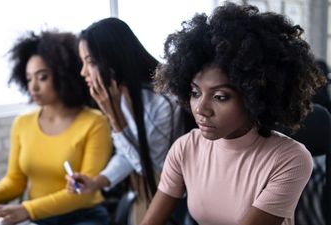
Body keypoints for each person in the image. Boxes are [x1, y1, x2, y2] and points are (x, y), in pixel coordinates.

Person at [140, 3, 326, 225]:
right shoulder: (186, 148)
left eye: (220, 97)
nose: (200, 109)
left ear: (255, 95)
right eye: (195, 92)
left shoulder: (289, 159)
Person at [0, 31, 112, 225]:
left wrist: (26, 209)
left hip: (83, 217)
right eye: (28, 78)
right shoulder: (22, 123)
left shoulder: (95, 122)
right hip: (38, 217)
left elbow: (84, 193)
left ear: (63, 75)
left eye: (42, 77)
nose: (33, 87)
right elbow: (15, 181)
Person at [66, 18, 184, 224]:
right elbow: (126, 156)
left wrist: (114, 117)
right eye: (83, 62)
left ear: (114, 59)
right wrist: (95, 183)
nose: (83, 72)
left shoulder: (164, 101)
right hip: (146, 193)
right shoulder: (117, 95)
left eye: (91, 62)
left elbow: (150, 166)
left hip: (175, 196)